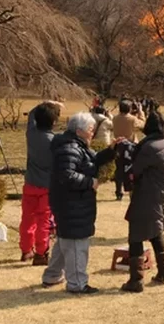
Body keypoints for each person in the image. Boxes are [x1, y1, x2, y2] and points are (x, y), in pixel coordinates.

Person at [42, 112, 118, 294]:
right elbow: (66, 176)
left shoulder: (78, 145)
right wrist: (90, 182)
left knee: (64, 239)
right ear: (79, 131)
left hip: (73, 201)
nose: (93, 132)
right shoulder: (69, 147)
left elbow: (93, 160)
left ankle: (52, 275)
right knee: (76, 242)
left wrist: (111, 150)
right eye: (90, 129)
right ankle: (77, 283)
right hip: (71, 202)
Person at [121, 112, 164, 292]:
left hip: (148, 194)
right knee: (156, 231)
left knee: (136, 236)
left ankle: (136, 280)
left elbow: (136, 169)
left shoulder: (148, 147)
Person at [20, 101, 63, 264]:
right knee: (43, 221)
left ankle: (25, 250)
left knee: (27, 219)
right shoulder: (56, 141)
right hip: (47, 186)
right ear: (53, 122)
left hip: (30, 182)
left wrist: (45, 103)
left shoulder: (31, 134)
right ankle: (41, 252)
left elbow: (31, 114)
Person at [112, 100, 145, 200]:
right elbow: (142, 124)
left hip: (118, 145)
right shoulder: (132, 119)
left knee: (119, 168)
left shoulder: (115, 118)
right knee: (130, 169)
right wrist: (141, 112)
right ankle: (131, 190)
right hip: (130, 146)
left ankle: (118, 191)